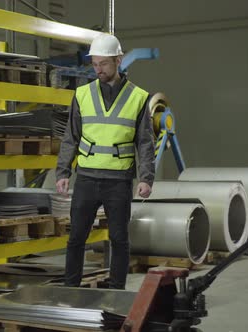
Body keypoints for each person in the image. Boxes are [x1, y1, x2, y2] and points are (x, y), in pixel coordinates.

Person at [55, 34, 156, 289]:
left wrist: (146, 178)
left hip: (119, 181)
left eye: (104, 64)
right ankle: (71, 290)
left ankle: (116, 292)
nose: (98, 69)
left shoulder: (139, 97)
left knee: (119, 239)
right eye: (95, 64)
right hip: (86, 178)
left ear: (118, 60)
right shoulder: (82, 95)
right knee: (76, 238)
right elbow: (71, 137)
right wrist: (63, 172)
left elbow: (145, 142)